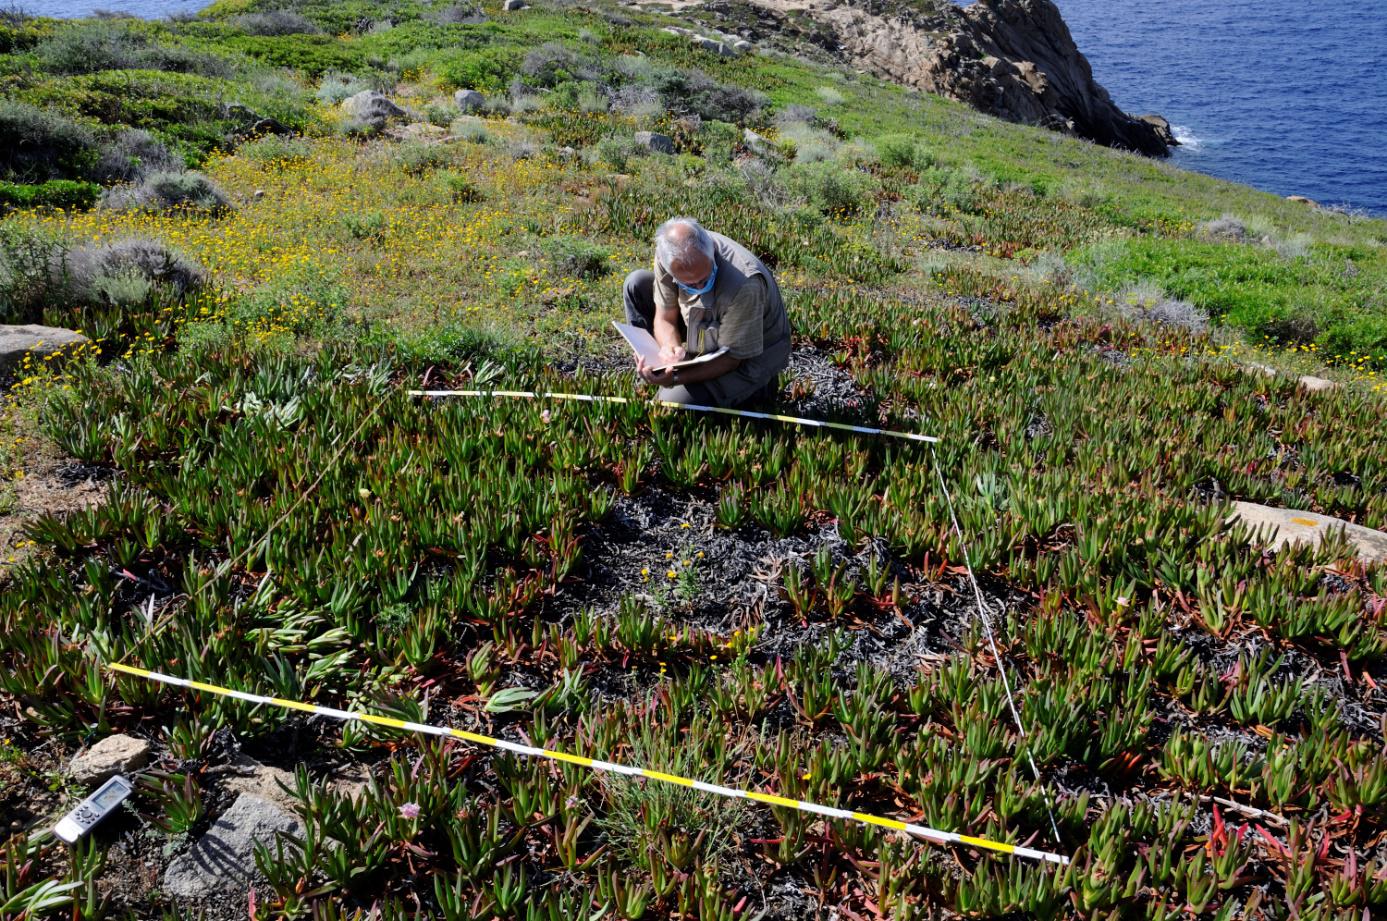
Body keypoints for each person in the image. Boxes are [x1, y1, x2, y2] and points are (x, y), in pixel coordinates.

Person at [622, 217, 791, 408]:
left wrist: (675, 377)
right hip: (702, 326)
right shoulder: (666, 254)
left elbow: (731, 359)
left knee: (668, 408)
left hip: (747, 358)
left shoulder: (745, 283)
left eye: (704, 278)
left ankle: (757, 391)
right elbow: (665, 316)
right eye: (689, 284)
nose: (699, 286)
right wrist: (671, 350)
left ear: (711, 252)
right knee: (636, 283)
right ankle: (658, 371)